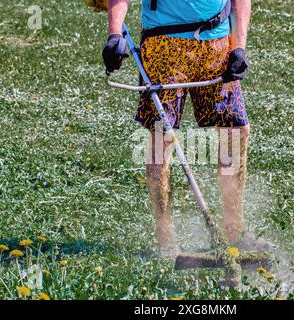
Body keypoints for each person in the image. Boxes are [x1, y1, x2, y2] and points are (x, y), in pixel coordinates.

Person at [97, 0, 271, 256]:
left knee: (235, 132)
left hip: (217, 45)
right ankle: (165, 239)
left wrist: (239, 47)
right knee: (161, 139)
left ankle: (235, 232)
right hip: (164, 46)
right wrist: (114, 34)